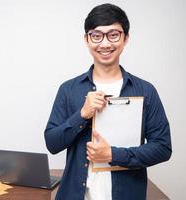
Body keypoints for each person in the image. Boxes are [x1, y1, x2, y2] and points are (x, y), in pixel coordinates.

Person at [44, 3, 172, 200]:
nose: (104, 44)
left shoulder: (146, 91)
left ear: (125, 38)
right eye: (96, 35)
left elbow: (163, 148)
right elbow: (52, 143)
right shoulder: (68, 90)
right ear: (87, 40)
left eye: (113, 34)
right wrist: (82, 115)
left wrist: (113, 155)